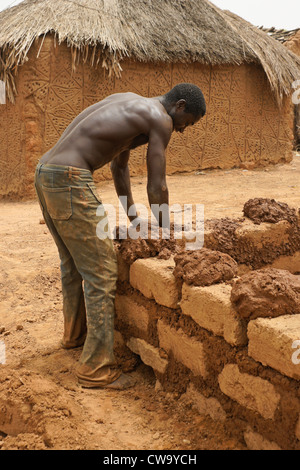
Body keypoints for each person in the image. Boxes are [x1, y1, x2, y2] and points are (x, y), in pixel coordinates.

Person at [34, 83, 206, 390]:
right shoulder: (161, 120)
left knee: (72, 263)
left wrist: (134, 218)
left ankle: (74, 338)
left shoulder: (132, 102)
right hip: (71, 178)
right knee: (101, 271)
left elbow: (119, 167)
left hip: (47, 172)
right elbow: (157, 185)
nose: (182, 130)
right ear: (179, 106)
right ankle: (96, 368)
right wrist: (166, 231)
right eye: (188, 123)